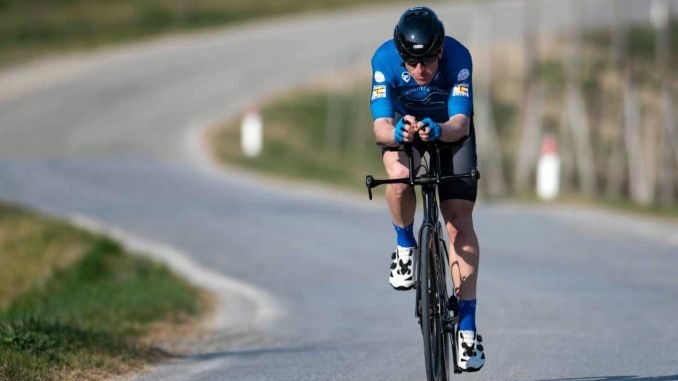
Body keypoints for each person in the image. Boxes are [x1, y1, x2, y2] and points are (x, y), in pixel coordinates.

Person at [369, 6, 484, 371]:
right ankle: (405, 245)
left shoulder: (459, 56)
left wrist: (438, 130)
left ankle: (466, 331)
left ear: (440, 51)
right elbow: (380, 126)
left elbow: (461, 123)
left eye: (428, 62)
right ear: (401, 55)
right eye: (412, 63)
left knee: (458, 223)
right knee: (398, 174)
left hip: (450, 132)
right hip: (405, 128)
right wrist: (398, 133)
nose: (420, 71)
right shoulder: (384, 60)